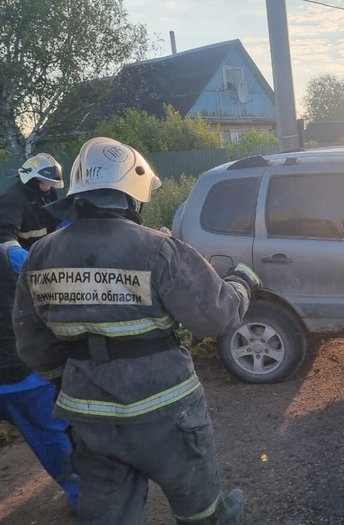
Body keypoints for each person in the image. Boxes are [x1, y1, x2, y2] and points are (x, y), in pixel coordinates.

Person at [13, 137, 262, 524]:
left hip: (91, 419)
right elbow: (214, 317)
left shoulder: (40, 255)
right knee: (203, 512)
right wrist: (242, 282)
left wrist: (74, 378)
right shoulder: (158, 248)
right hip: (166, 411)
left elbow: (32, 344)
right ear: (132, 193)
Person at [0, 239, 79, 510]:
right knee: (54, 438)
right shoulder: (11, 256)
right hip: (22, 377)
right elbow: (61, 288)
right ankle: (81, 496)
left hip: (17, 375)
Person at [0, 153, 64, 250]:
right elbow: (4, 235)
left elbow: (55, 226)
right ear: (31, 179)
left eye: (51, 183)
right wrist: (20, 257)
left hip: (44, 254)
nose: (47, 187)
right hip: (25, 258)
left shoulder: (48, 195)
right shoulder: (12, 200)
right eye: (43, 182)